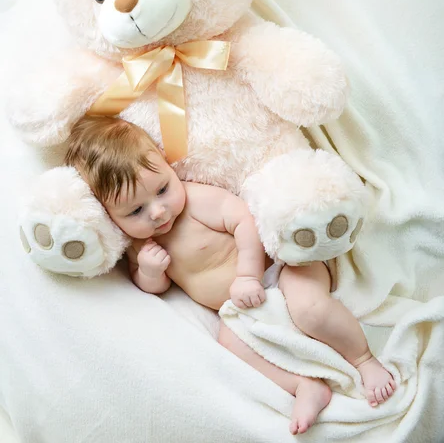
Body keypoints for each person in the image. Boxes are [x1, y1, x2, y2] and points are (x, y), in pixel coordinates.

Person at [65, 116, 396, 434]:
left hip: (280, 270)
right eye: (135, 210)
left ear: (167, 165)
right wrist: (150, 273)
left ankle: (363, 359)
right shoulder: (139, 245)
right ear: (109, 215)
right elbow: (156, 287)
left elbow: (243, 220)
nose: (157, 211)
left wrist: (249, 275)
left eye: (163, 188)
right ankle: (304, 386)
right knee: (230, 344)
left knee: (309, 307)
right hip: (242, 310)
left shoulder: (194, 199)